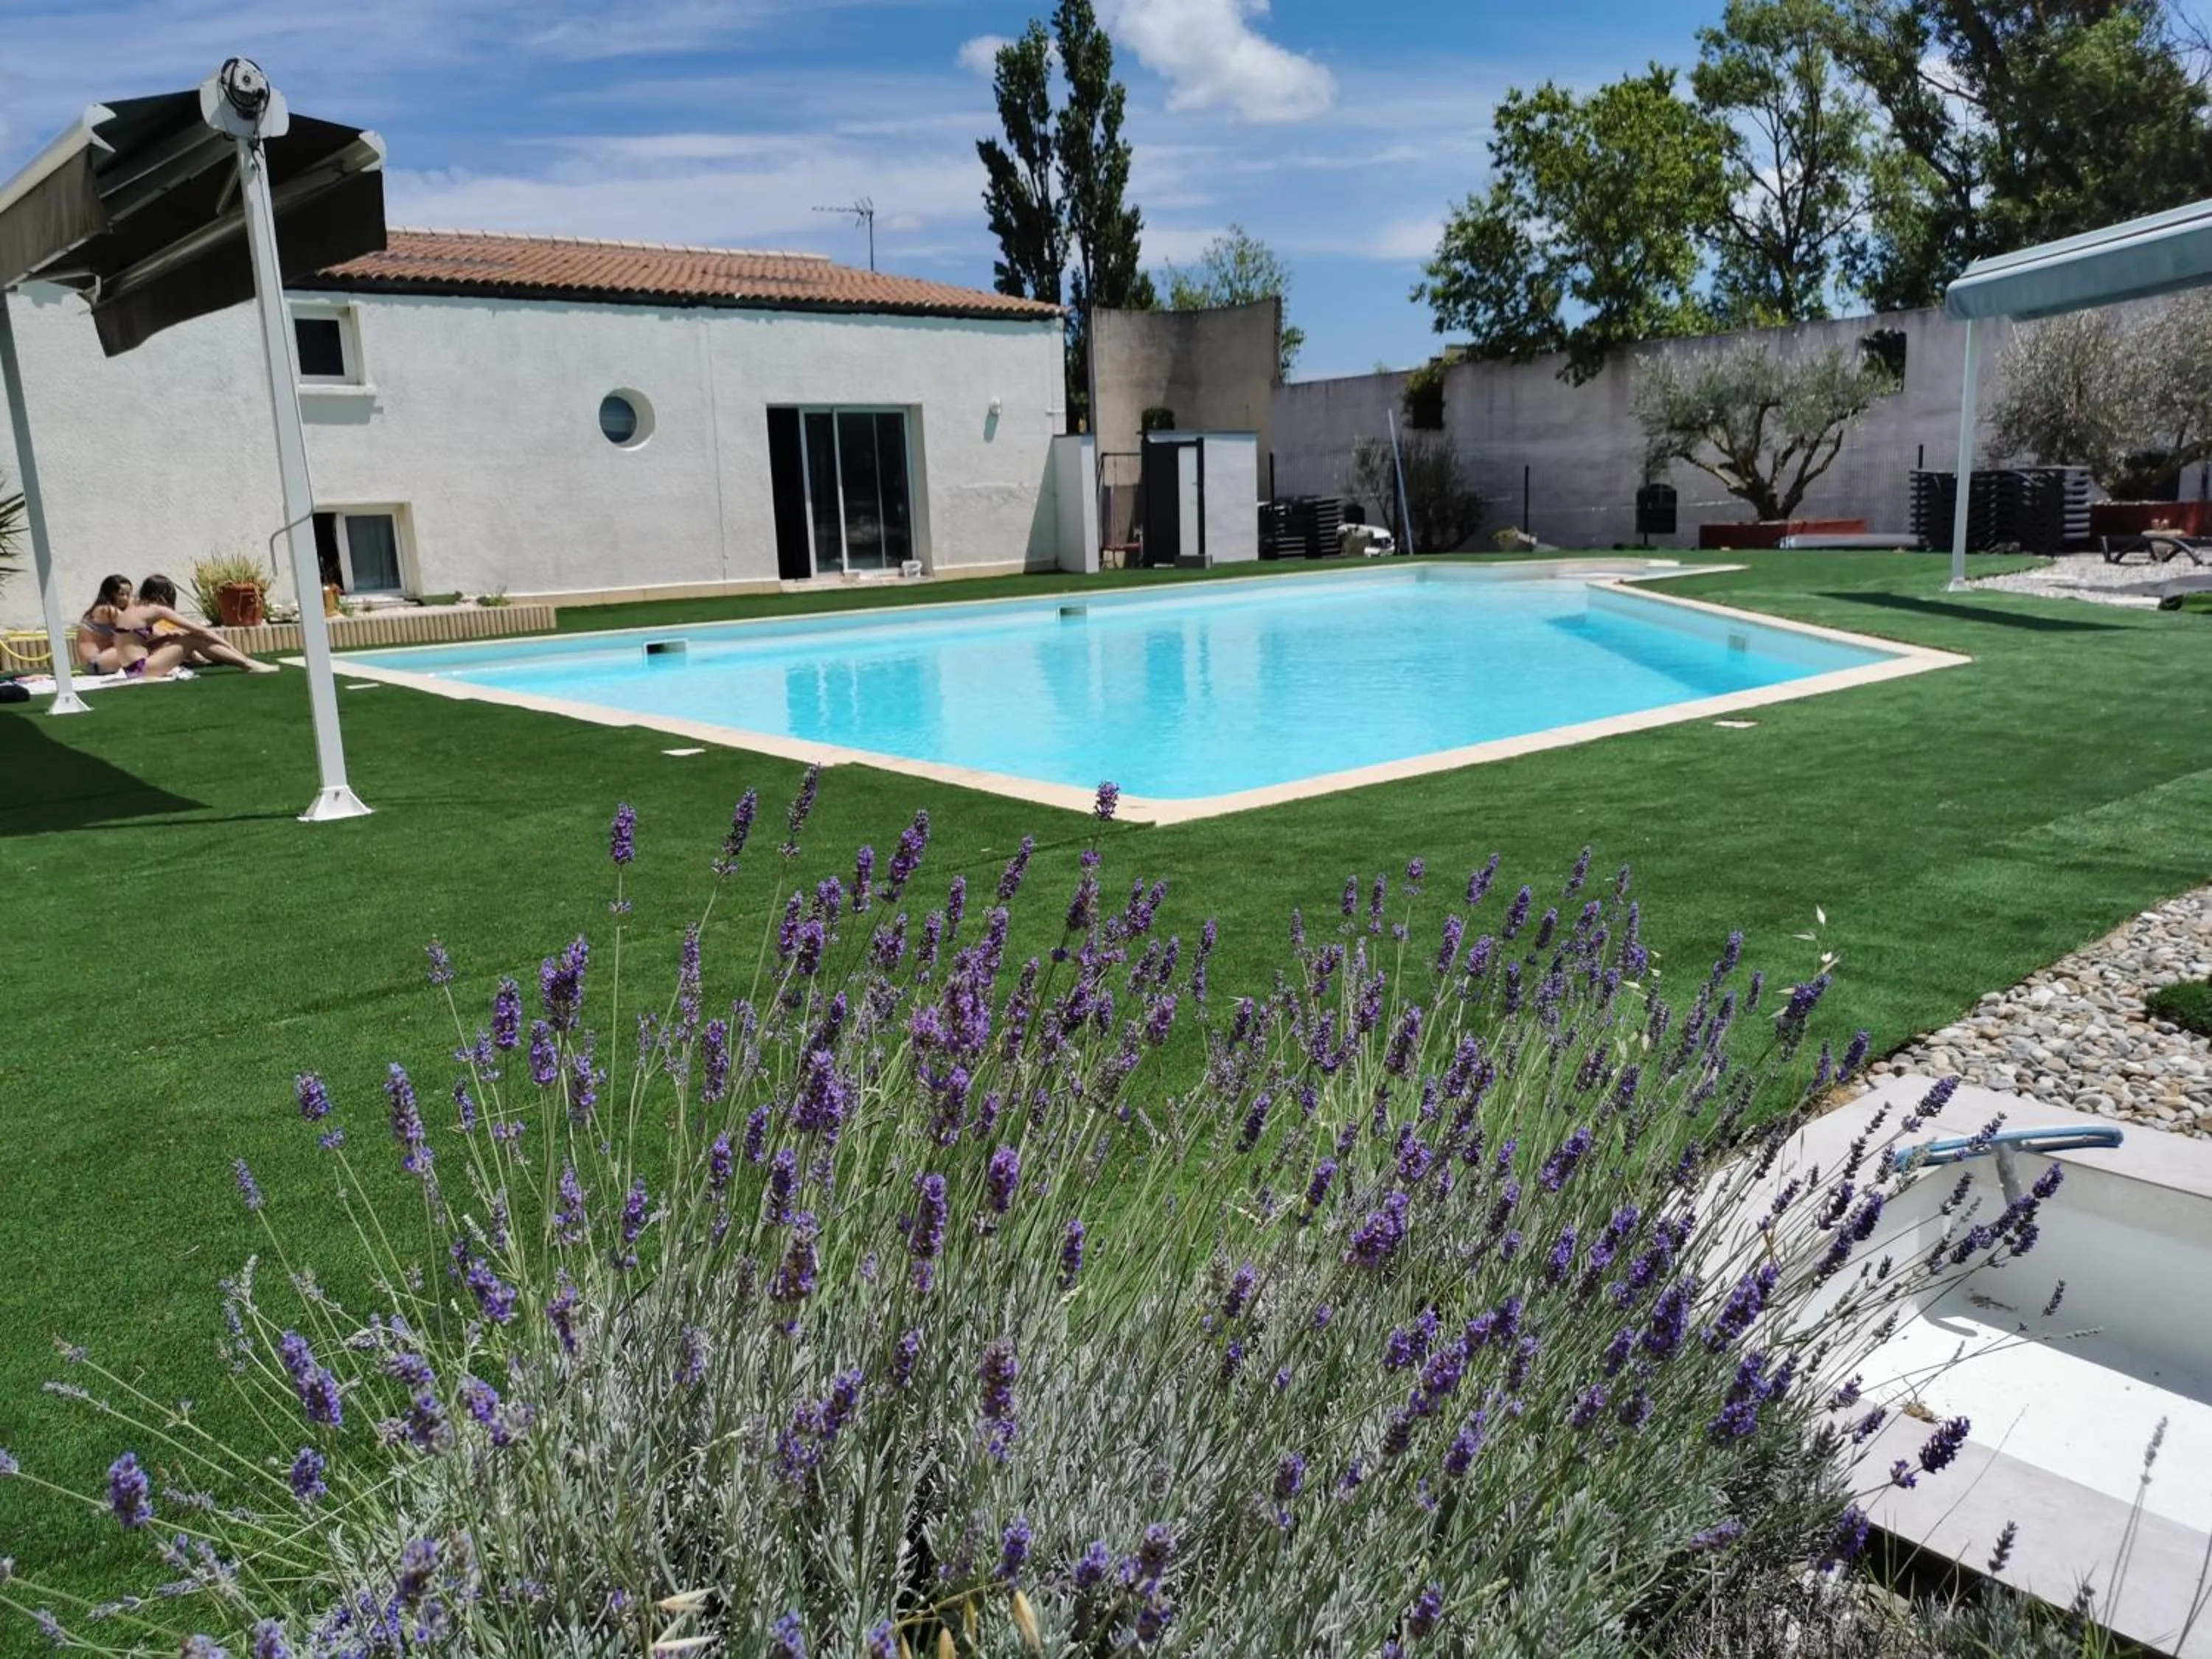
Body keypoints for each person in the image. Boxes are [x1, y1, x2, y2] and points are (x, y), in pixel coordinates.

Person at [111, 574, 278, 677]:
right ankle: (247, 664)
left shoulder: (132, 606)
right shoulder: (157, 609)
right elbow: (199, 630)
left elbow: (137, 641)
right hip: (142, 669)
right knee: (191, 639)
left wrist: (170, 638)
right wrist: (231, 647)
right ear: (163, 597)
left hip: (131, 669)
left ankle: (212, 659)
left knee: (178, 636)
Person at [75, 574, 133, 672]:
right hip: (95, 663)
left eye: (128, 594)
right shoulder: (107, 610)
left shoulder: (100, 609)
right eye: (121, 594)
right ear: (110, 593)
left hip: (98, 664)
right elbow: (136, 627)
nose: (126, 598)